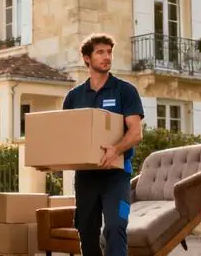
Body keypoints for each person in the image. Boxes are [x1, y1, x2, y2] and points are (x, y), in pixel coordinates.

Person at [61, 33, 144, 256]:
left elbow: (136, 133)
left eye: (109, 52)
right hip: (86, 176)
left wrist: (115, 149)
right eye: (100, 52)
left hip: (116, 174)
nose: (107, 57)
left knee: (115, 227)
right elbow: (66, 136)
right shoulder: (74, 97)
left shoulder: (124, 91)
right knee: (87, 232)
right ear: (87, 58)